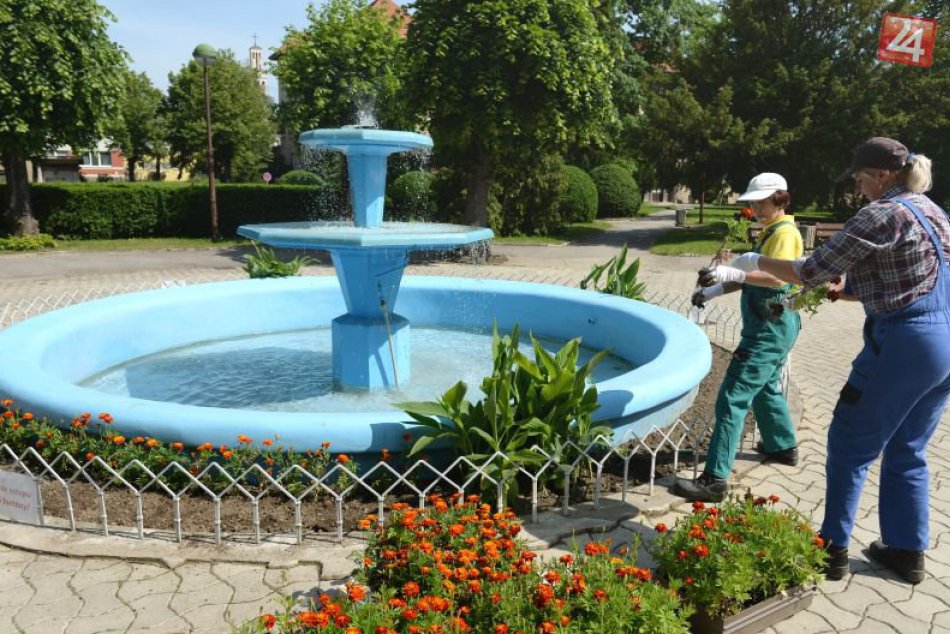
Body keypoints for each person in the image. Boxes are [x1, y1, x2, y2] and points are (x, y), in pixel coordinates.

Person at [716, 137, 950, 585]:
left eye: (860, 178)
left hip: (905, 343)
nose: (858, 187)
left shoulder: (880, 212)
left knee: (848, 441)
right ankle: (906, 550)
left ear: (881, 176)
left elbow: (810, 270)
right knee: (908, 448)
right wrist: (851, 292)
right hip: (944, 343)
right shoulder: (932, 210)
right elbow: (912, 276)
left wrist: (751, 261)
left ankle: (832, 549)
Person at [674, 172, 804, 502]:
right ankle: (782, 446)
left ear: (779, 199)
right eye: (753, 203)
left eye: (761, 202)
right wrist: (716, 289)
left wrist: (735, 272)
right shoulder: (773, 231)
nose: (756, 208)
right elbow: (751, 279)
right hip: (774, 325)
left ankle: (715, 479)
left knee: (733, 396)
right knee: (765, 388)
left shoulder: (785, 234)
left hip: (767, 330)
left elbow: (776, 279)